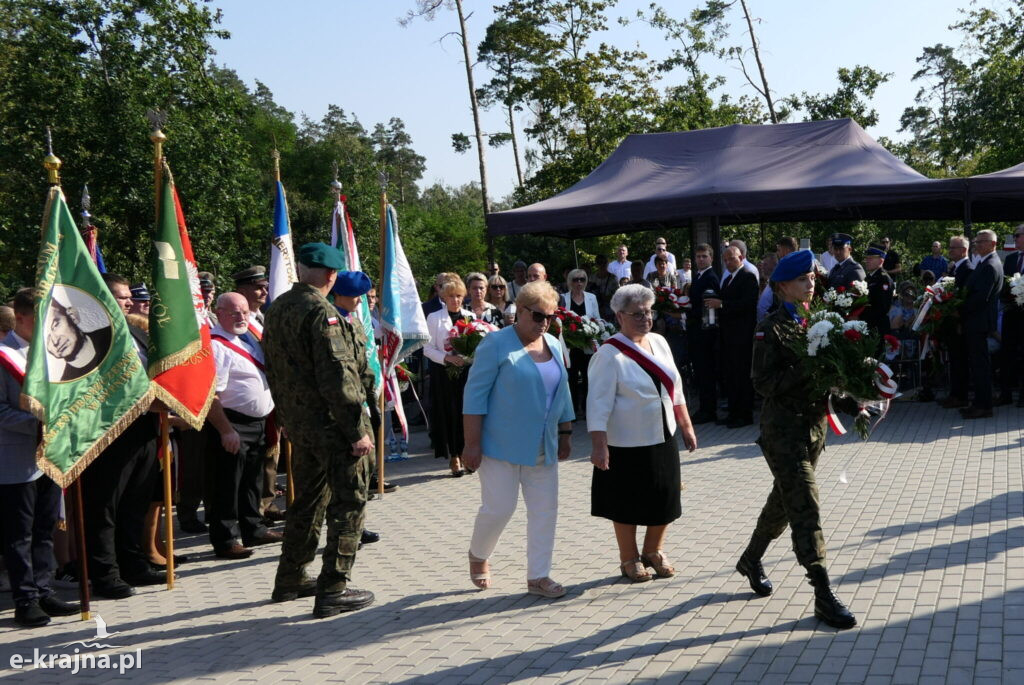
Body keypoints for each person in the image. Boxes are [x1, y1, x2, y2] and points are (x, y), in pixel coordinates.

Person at [736, 248, 857, 630]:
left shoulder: (815, 320)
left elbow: (828, 376)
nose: (811, 285)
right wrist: (807, 366)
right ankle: (822, 592)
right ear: (783, 285)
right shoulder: (769, 327)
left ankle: (751, 558)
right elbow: (762, 383)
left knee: (784, 503)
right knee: (806, 506)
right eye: (803, 280)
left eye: (812, 279)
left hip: (815, 429)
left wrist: (852, 402)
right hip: (783, 431)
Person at [263, 243, 376, 618]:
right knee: (349, 503)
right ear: (331, 275)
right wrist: (357, 429)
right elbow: (337, 376)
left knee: (307, 502)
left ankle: (290, 578)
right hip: (332, 426)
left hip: (298, 424)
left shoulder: (276, 308)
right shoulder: (322, 312)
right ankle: (333, 590)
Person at [462, 281, 574, 598]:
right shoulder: (495, 344)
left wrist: (566, 433)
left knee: (545, 510)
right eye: (538, 316)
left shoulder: (552, 342)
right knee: (499, 509)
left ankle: (538, 576)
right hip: (500, 445)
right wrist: (471, 444)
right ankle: (479, 554)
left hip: (544, 444)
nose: (544, 323)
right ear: (519, 311)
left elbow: (562, 393)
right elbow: (474, 397)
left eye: (550, 317)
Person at [588, 284, 697, 582]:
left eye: (648, 312)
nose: (644, 319)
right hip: (625, 442)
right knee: (627, 502)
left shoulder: (659, 342)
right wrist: (599, 446)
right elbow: (596, 405)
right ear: (619, 316)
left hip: (662, 434)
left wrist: (686, 426)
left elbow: (675, 388)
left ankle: (654, 550)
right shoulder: (609, 354)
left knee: (666, 496)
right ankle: (628, 558)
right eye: (637, 314)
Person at [81, 273, 164, 599]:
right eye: (121, 296)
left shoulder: (134, 331)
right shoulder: (91, 337)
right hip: (108, 431)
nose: (128, 302)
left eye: (129, 296)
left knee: (135, 501)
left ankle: (133, 564)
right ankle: (105, 574)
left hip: (145, 427)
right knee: (105, 506)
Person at [0, 288, 79, 627]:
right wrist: (39, 423)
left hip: (51, 456)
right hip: (16, 458)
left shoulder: (51, 352)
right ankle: (25, 599)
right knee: (20, 533)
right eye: (41, 318)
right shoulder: (4, 356)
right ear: (20, 317)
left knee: (45, 528)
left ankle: (44, 590)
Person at [204, 293, 282, 559]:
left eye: (245, 312)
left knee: (252, 480)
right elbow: (212, 394)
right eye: (234, 312)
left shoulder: (247, 339)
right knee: (228, 483)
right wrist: (226, 429)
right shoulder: (216, 345)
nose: (241, 317)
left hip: (257, 422)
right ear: (220, 312)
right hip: (232, 422)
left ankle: (254, 528)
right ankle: (225, 540)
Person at [423, 275, 475, 477]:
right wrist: (447, 358)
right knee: (450, 413)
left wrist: (467, 356)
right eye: (452, 296)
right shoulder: (435, 318)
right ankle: (454, 455)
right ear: (444, 297)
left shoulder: (469, 317)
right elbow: (427, 348)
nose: (456, 300)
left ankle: (465, 453)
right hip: (443, 373)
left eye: (459, 296)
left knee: (466, 413)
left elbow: (476, 345)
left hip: (465, 372)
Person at [705, 246, 758, 428]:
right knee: (731, 375)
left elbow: (748, 304)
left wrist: (722, 304)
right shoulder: (728, 279)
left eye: (731, 259)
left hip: (742, 336)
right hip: (728, 336)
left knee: (742, 375)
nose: (728, 263)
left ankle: (744, 414)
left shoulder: (748, 276)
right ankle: (734, 412)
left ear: (741, 257)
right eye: (725, 260)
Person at [959, 230, 1004, 419]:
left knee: (980, 366)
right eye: (976, 242)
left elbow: (980, 298)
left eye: (981, 242)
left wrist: (959, 308)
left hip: (978, 322)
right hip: (977, 321)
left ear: (992, 244)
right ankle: (979, 402)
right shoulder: (985, 263)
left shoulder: (990, 266)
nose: (976, 245)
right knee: (978, 364)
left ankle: (983, 405)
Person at [686, 244, 720, 424]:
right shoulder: (699, 276)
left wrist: (686, 310)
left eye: (704, 256)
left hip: (705, 332)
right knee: (700, 372)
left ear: (711, 258)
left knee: (706, 372)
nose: (700, 259)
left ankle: (709, 410)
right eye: (698, 256)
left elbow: (708, 308)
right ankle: (704, 407)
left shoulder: (711, 277)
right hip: (697, 331)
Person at [561, 269, 600, 419]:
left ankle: (586, 408)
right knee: (571, 377)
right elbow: (561, 320)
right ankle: (572, 410)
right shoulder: (564, 298)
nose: (579, 283)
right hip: (571, 345)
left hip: (587, 343)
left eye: (582, 279)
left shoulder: (592, 298)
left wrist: (593, 330)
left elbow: (597, 318)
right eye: (576, 279)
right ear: (570, 281)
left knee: (588, 376)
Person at [998, 225, 1024, 407]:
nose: (1014, 239)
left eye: (1017, 236)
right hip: (1011, 313)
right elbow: (1004, 283)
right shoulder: (1011, 258)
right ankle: (1005, 394)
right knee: (1007, 354)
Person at [758, 237, 798, 322]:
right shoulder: (784, 267)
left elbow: (782, 296)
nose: (777, 253)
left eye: (779, 250)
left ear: (786, 250)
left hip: (785, 318)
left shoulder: (792, 268)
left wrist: (772, 312)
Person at [863, 243, 894, 339]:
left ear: (881, 260)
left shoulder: (883, 279)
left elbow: (882, 307)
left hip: (877, 328)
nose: (867, 261)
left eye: (871, 258)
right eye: (867, 258)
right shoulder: (868, 277)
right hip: (868, 325)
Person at [231, 265, 269, 341]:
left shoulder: (267, 318)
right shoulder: (235, 323)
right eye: (259, 288)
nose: (265, 292)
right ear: (242, 292)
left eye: (265, 287)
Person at [589, 254, 619, 321]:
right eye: (599, 262)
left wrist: (606, 297)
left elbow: (617, 297)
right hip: (595, 309)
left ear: (607, 263)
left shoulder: (613, 278)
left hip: (609, 311)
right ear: (596, 264)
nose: (602, 265)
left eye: (604, 262)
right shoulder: (591, 278)